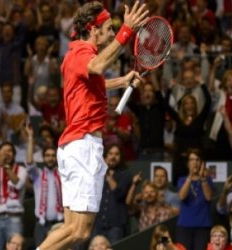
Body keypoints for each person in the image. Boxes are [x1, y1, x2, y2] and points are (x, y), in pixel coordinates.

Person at [37, 1, 148, 249]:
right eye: (108, 28)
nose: (111, 33)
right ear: (93, 29)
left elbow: (90, 84)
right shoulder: (82, 53)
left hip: (75, 147)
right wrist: (126, 31)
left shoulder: (74, 55)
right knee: (79, 231)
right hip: (82, 147)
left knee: (71, 229)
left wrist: (121, 81)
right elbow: (98, 66)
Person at [26, 123, 63, 246]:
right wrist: (31, 138)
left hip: (60, 222)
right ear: (43, 158)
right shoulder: (38, 175)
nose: (51, 158)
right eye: (47, 156)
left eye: (53, 156)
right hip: (41, 224)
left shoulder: (63, 175)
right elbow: (30, 163)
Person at [92, 144, 132, 243]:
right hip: (97, 223)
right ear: (105, 156)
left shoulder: (125, 174)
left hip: (116, 225)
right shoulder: (96, 174)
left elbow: (119, 193)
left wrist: (108, 176)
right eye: (110, 154)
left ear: (120, 157)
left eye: (116, 154)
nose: (113, 157)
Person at [176, 148, 213, 250]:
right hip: (184, 226)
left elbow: (208, 197)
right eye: (192, 160)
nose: (195, 163)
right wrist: (190, 177)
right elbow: (182, 196)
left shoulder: (207, 179)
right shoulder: (182, 180)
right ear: (188, 163)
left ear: (202, 163)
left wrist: (203, 178)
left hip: (202, 226)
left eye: (197, 160)